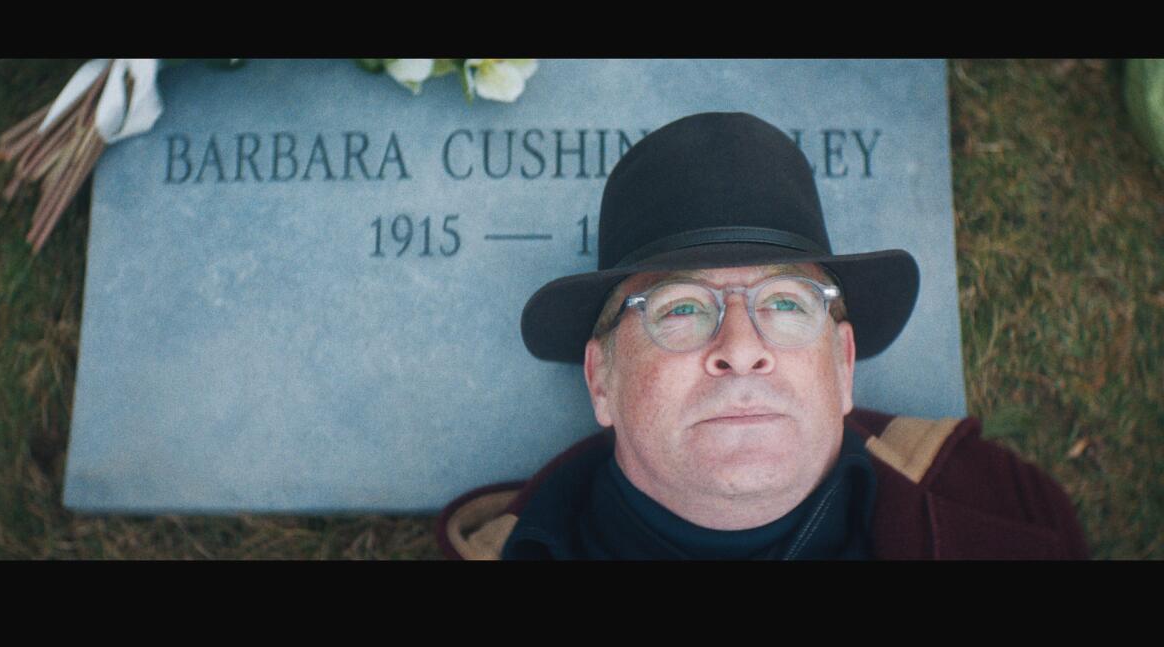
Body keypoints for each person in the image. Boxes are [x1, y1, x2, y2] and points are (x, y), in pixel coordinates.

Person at [436, 112, 1088, 560]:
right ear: (600, 377)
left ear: (843, 362)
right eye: (682, 307)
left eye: (785, 301)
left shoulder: (1014, 509)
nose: (743, 347)